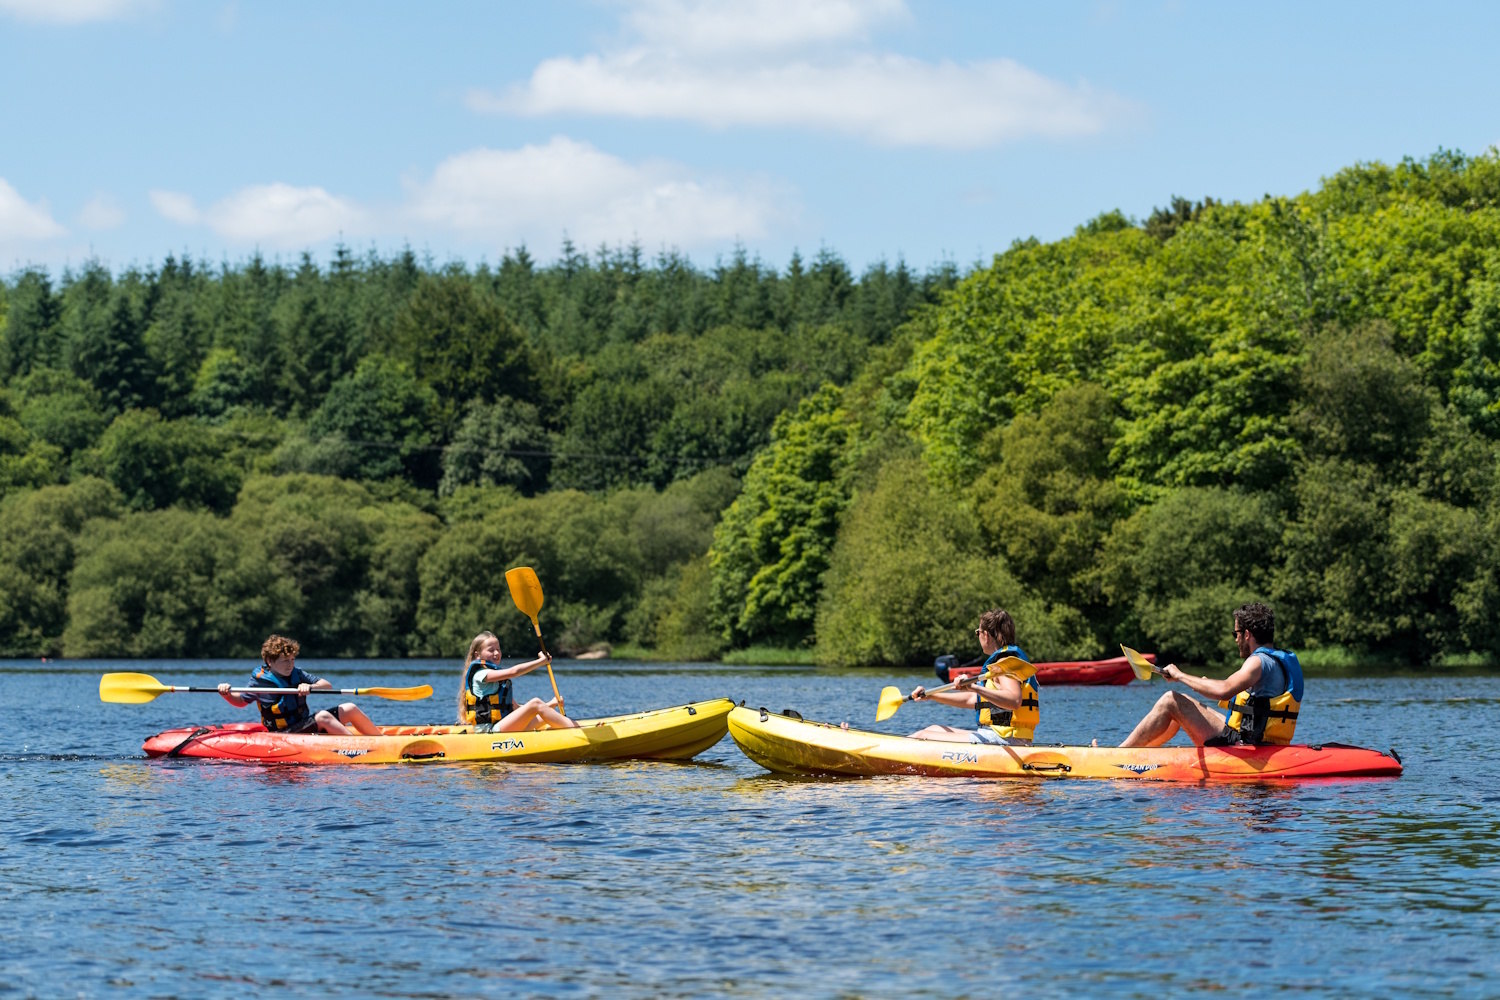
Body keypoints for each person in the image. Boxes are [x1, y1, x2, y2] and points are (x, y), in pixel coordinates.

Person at [1119, 601, 1304, 747]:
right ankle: (1140, 754)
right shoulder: (1279, 659)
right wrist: (1201, 683)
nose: (1236, 639)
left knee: (1171, 700)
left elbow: (1224, 690)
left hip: (1244, 742)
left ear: (1247, 634)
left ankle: (1120, 754)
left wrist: (1180, 675)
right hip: (1265, 741)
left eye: (1236, 633)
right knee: (1182, 706)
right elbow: (1245, 698)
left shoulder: (1257, 662)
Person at [905, 608, 1039, 746]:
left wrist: (974, 687)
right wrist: (932, 696)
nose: (978, 636)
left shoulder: (1005, 664)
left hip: (1005, 740)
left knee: (921, 736)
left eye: (977, 632)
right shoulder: (1004, 662)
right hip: (1001, 736)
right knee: (934, 729)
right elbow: (974, 700)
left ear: (985, 635)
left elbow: (1014, 700)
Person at [217, 634, 380, 735]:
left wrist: (311, 687)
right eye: (285, 661)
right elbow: (240, 701)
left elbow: (327, 685)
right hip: (283, 733)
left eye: (292, 659)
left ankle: (381, 742)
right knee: (323, 716)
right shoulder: (261, 680)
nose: (290, 665)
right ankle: (360, 749)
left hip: (302, 724)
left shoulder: (298, 673)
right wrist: (226, 694)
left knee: (350, 707)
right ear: (269, 661)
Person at [457, 631, 579, 733]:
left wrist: (551, 704)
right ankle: (576, 733)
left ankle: (578, 729)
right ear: (477, 655)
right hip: (489, 731)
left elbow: (517, 709)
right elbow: (514, 671)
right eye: (491, 650)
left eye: (498, 649)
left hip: (502, 726)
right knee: (535, 703)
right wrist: (541, 662)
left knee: (546, 716)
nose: (496, 653)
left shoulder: (497, 679)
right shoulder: (480, 674)